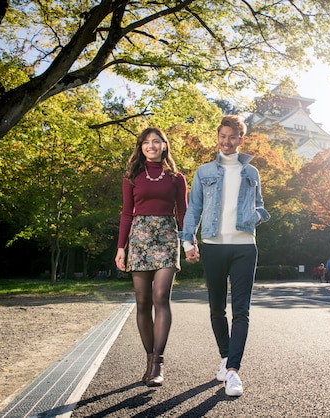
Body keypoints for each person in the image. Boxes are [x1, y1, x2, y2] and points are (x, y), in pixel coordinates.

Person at [180, 115, 270, 397]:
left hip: (245, 245)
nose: (227, 142)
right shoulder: (203, 172)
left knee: (241, 310)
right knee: (216, 308)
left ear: (240, 140)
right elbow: (193, 209)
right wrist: (187, 242)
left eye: (232, 137)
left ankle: (233, 371)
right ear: (217, 137)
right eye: (222, 136)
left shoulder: (251, 173)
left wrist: (254, 217)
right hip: (213, 245)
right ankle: (225, 356)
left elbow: (260, 206)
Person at [115, 127, 188, 387]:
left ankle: (158, 364)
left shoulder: (177, 178)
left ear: (165, 146)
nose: (151, 146)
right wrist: (121, 247)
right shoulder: (132, 176)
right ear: (141, 147)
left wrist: (190, 242)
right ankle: (148, 358)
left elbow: (183, 213)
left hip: (168, 236)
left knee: (160, 298)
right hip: (140, 237)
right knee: (143, 301)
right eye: (146, 142)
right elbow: (126, 213)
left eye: (156, 141)